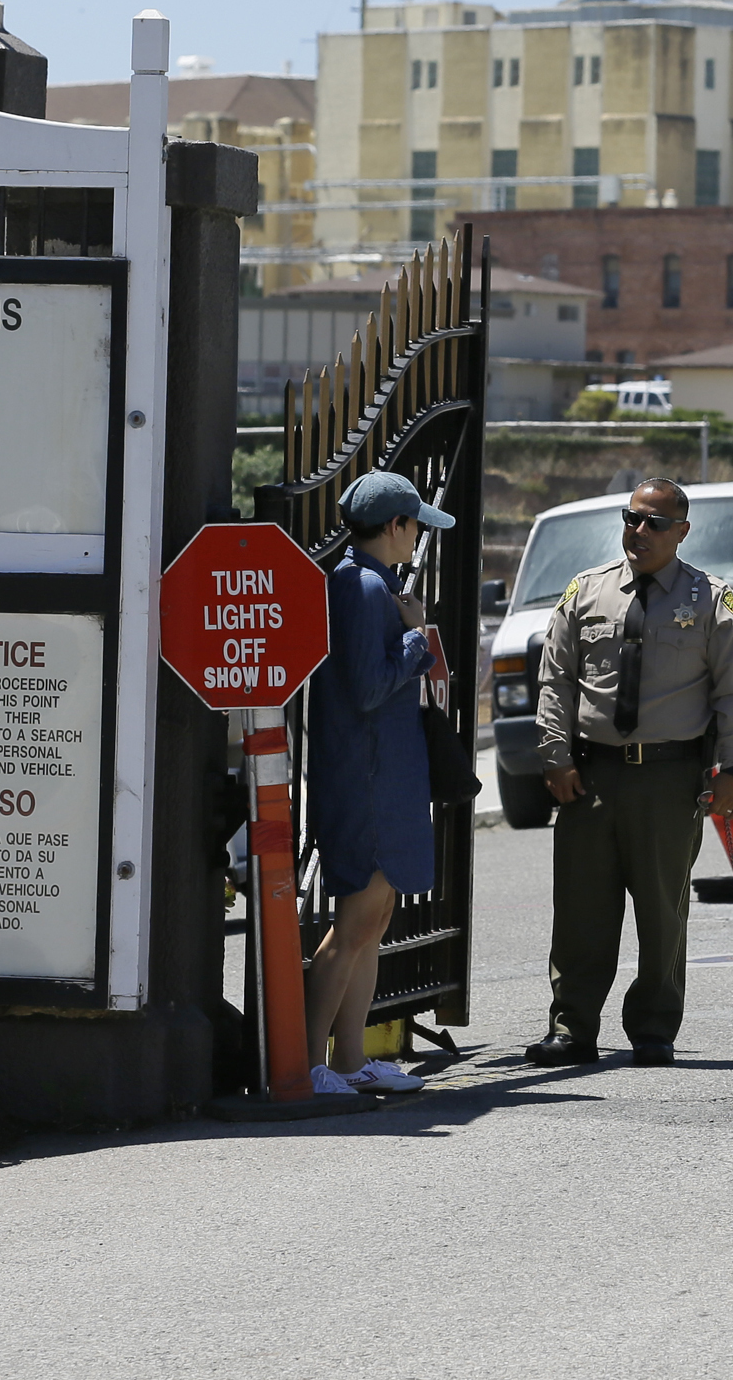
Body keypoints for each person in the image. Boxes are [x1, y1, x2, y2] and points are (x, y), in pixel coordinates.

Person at [527, 478, 733, 1067]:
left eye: (655, 522)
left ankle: (653, 1028)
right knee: (580, 912)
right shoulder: (585, 591)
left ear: (682, 531)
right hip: (591, 778)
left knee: (661, 912)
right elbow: (555, 680)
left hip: (668, 779)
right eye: (632, 519)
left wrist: (731, 769)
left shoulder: (711, 599)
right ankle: (572, 1027)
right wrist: (555, 755)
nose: (641, 531)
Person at [301, 470, 453, 1097]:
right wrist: (417, 638)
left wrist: (413, 632)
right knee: (359, 917)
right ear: (395, 526)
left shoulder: (370, 583)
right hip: (364, 777)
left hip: (381, 774)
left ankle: (350, 1059)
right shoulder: (360, 586)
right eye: (414, 524)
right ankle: (308, 1064)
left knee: (376, 914)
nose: (417, 536)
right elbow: (367, 687)